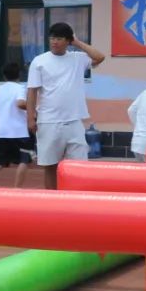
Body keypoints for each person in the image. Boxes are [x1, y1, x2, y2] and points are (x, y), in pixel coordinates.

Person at [26, 22, 106, 189]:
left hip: (74, 121)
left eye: (59, 38)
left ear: (67, 41)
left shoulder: (78, 58)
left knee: (79, 167)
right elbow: (32, 91)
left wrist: (77, 42)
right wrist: (30, 119)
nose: (54, 41)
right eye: (52, 38)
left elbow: (100, 57)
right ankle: (51, 201)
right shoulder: (39, 61)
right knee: (50, 166)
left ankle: (75, 200)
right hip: (48, 121)